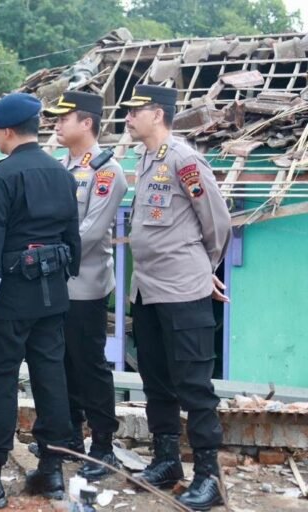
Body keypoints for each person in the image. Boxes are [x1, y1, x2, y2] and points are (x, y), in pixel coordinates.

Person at [0, 93, 82, 509]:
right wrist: (64, 276)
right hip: (52, 295)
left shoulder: (3, 175)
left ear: (7, 132)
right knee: (51, 381)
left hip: (8, 299)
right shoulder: (63, 172)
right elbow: (71, 238)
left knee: (0, 383)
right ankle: (52, 472)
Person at [121, 84, 231, 511]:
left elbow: (216, 223)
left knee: (194, 385)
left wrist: (204, 270)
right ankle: (167, 461)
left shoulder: (184, 160)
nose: (128, 118)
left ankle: (209, 476)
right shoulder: (146, 159)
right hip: (146, 291)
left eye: (134, 112)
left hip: (183, 291)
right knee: (157, 380)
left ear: (157, 114)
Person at [40, 91, 128, 480]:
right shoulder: (62, 166)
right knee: (61, 362)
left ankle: (104, 445)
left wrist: (51, 253)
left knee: (90, 364)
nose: (56, 125)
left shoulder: (107, 170)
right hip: (57, 284)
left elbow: (91, 230)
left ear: (86, 123)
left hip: (85, 284)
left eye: (64, 118)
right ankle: (72, 435)